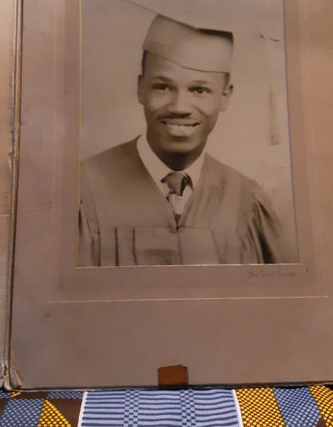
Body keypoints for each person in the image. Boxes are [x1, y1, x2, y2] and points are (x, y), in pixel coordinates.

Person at [78, 14, 291, 266]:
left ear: (225, 97)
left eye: (199, 90)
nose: (180, 107)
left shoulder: (247, 202)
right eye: (163, 87)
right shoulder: (83, 189)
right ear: (140, 89)